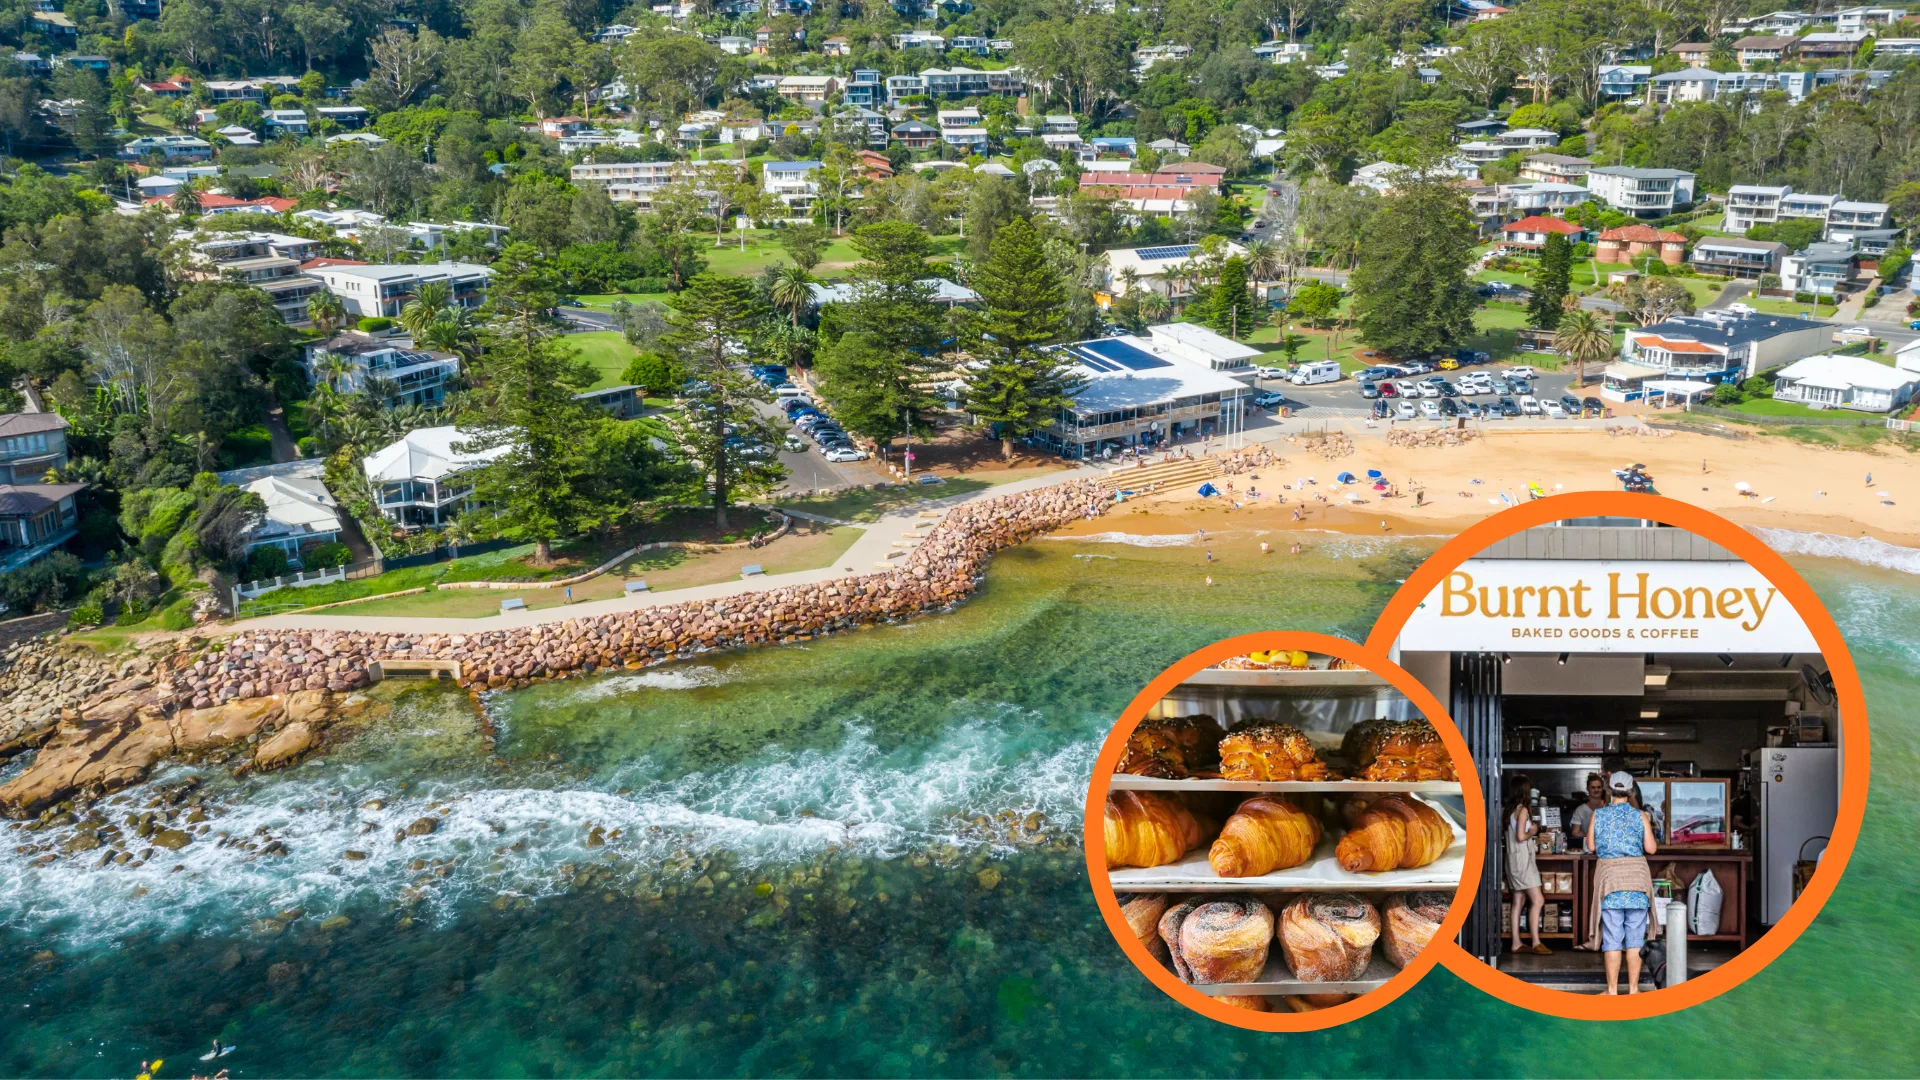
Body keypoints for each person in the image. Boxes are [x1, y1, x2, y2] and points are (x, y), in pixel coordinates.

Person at [1585, 771, 1660, 995]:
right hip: (1637, 882)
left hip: (1611, 883)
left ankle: (1612, 991)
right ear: (1631, 791)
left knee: (1612, 938)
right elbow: (1651, 849)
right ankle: (1634, 990)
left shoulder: (1599, 815)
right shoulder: (1641, 816)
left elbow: (1591, 846)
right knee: (1635, 938)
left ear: (1609, 789)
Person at [1506, 774, 1549, 956]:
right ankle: (1536, 942)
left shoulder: (1509, 810)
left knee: (1518, 900)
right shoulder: (1523, 810)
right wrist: (1533, 830)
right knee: (1538, 900)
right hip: (1523, 861)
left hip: (1513, 859)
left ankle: (1516, 943)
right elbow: (1521, 836)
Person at [1567, 772, 1607, 846]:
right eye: (1593, 787)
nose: (1596, 790)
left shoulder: (1608, 808)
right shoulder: (1580, 810)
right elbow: (1575, 832)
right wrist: (1589, 837)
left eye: (1599, 787)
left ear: (1602, 789)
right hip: (1587, 847)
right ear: (1587, 789)